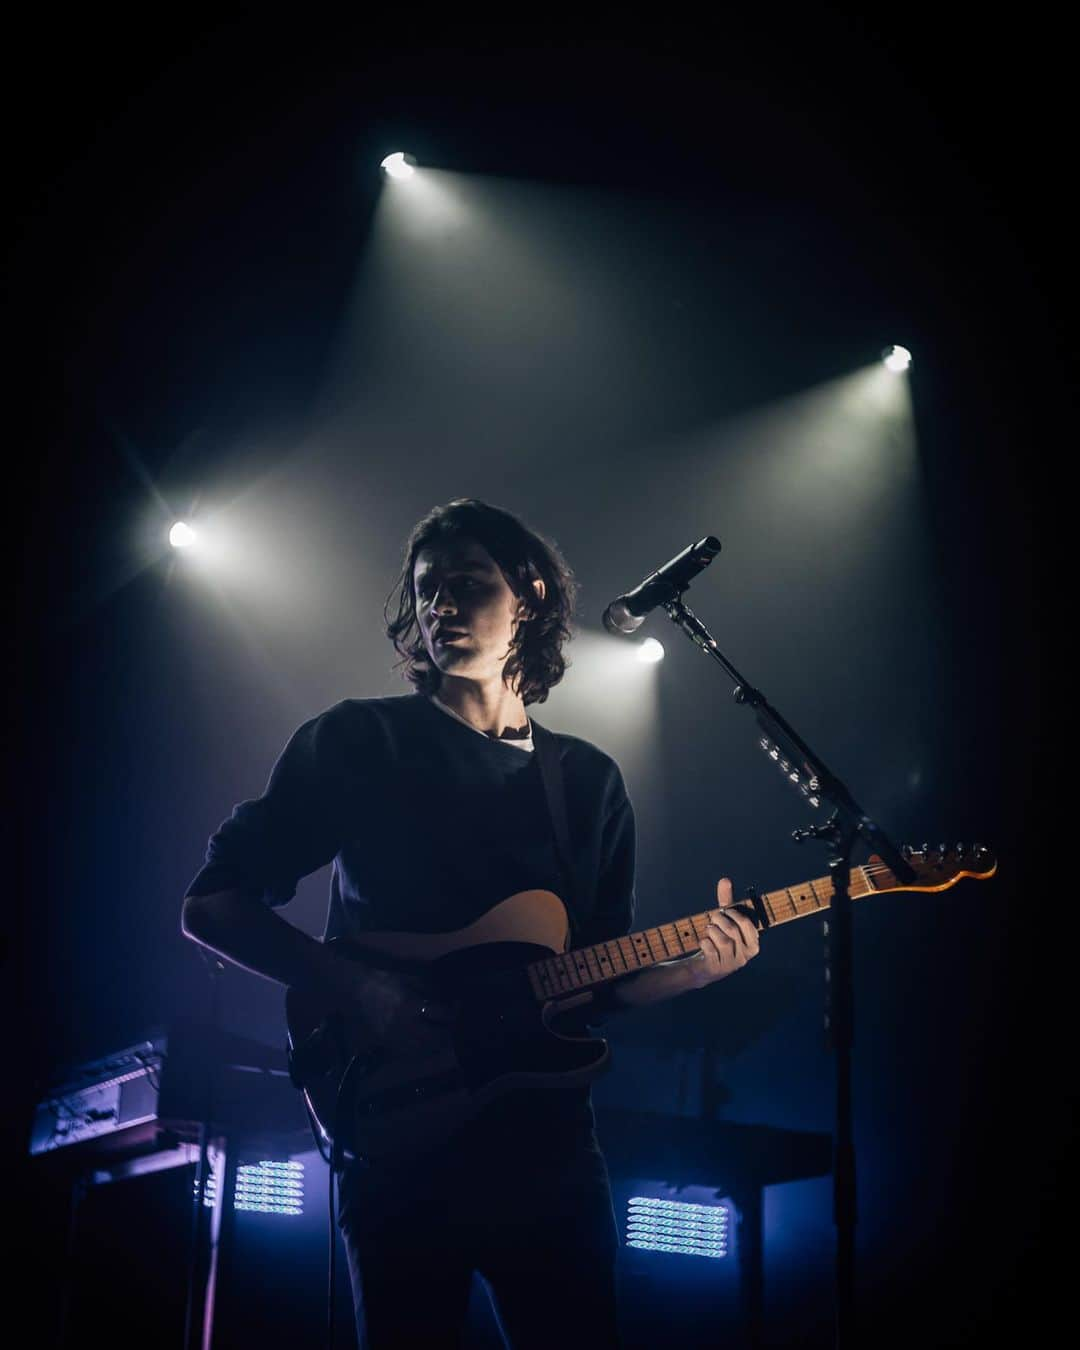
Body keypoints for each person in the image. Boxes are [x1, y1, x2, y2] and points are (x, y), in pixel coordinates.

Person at [181, 497, 760, 1349]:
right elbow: (214, 904)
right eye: (426, 590)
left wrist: (688, 972)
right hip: (397, 1136)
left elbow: (588, 981)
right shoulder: (359, 741)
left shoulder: (589, 784)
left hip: (547, 1148)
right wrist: (354, 986)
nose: (440, 606)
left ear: (526, 592)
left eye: (465, 584)